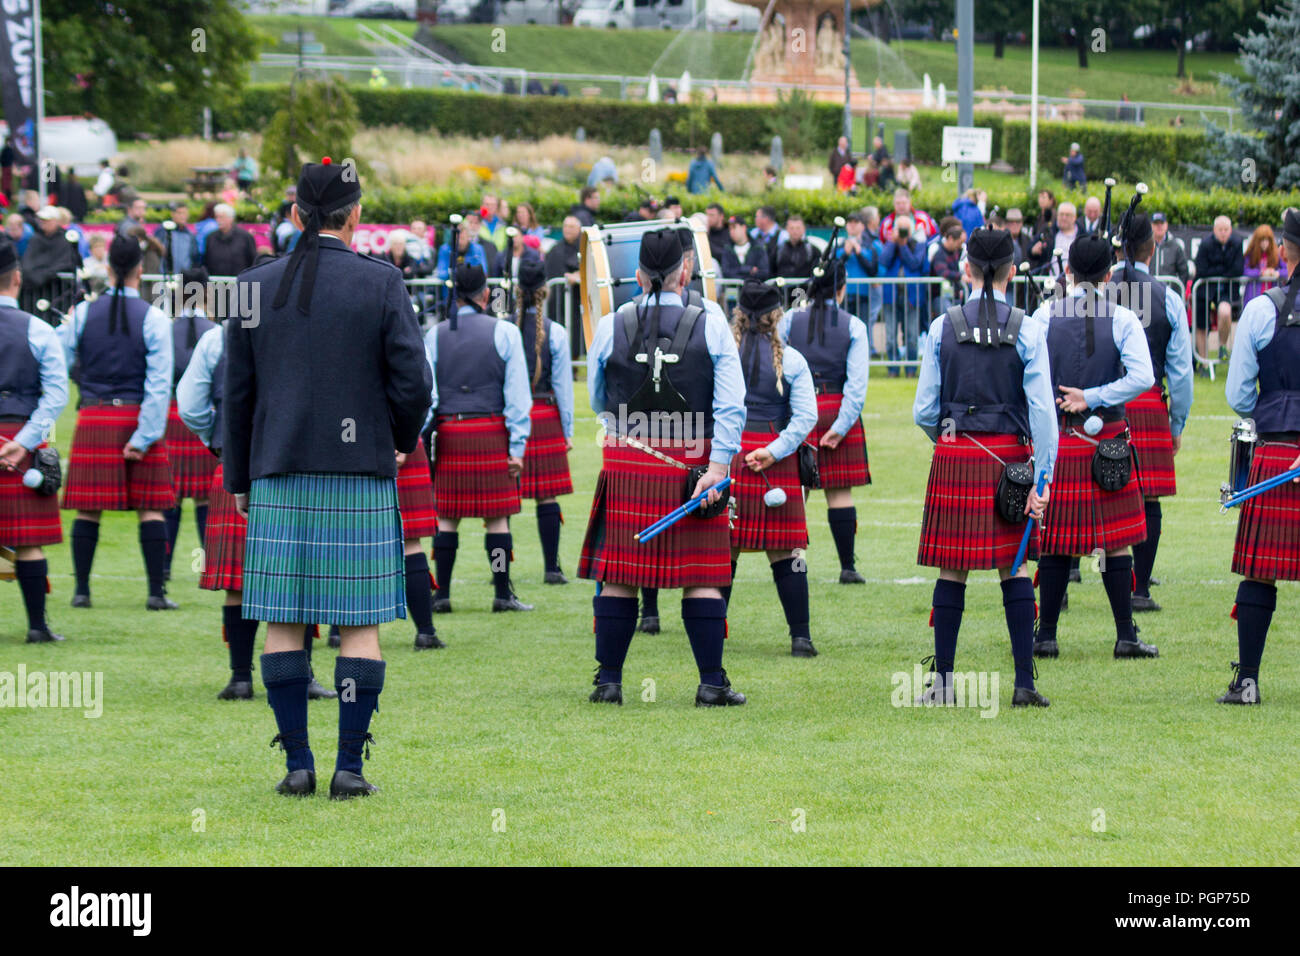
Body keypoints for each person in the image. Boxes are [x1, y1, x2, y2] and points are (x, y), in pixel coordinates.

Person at [223, 158, 432, 799]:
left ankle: (296, 766)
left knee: (283, 620)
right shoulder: (382, 282)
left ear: (294, 216)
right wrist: (395, 441)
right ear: (357, 215)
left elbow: (237, 396)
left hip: (278, 472)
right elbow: (414, 384)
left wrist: (239, 477)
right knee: (359, 623)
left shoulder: (250, 286)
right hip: (359, 470)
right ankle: (349, 767)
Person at [580, 227, 747, 707]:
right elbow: (732, 404)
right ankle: (711, 683)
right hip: (692, 465)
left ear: (636, 275)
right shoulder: (710, 320)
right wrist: (718, 466)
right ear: (685, 271)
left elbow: (597, 397)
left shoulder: (612, 324)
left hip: (629, 461)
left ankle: (608, 681)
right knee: (701, 576)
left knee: (618, 576)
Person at [912, 226, 1058, 707]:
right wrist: (1044, 478)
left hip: (956, 458)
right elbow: (1042, 414)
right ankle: (1024, 684)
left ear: (967, 269)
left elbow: (924, 412)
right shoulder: (1030, 328)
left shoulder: (941, 326)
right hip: (1011, 460)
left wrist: (951, 441)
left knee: (952, 570)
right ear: (1013, 272)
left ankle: (944, 684)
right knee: (1013, 569)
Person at [177, 315, 335, 699]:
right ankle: (302, 676)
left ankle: (240, 677)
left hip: (236, 465)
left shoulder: (219, 337)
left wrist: (216, 440)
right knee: (301, 576)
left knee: (237, 581)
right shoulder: (309, 330)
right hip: (295, 466)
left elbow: (190, 404)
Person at [1029, 233, 1158, 660]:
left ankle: (1046, 635)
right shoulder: (1123, 317)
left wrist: (1069, 397)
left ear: (1068, 271)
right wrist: (1098, 395)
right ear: (1108, 274)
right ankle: (1125, 636)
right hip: (1107, 442)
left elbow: (1026, 370)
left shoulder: (1044, 314)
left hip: (1062, 440)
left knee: (1054, 540)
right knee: (1116, 541)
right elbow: (1143, 377)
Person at [59, 235, 178, 611]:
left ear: (108, 269)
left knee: (88, 508)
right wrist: (145, 435)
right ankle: (156, 593)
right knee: (151, 507)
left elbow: (57, 363)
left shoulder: (80, 314)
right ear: (140, 271)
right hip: (135, 414)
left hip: (94, 415)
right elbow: (159, 384)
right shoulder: (154, 317)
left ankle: (81, 591)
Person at [1217, 208, 1300, 704]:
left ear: (1285, 250)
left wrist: (1273, 408)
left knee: (1261, 571)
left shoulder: (1262, 309)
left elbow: (1238, 393)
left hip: (1276, 449)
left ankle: (1247, 681)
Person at [426, 263, 533, 615]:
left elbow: (428, 396)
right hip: (491, 431)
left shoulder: (435, 334)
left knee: (446, 517)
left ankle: (441, 595)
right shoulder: (505, 332)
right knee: (498, 517)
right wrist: (517, 446)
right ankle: (502, 593)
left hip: (451, 432)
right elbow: (518, 396)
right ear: (486, 295)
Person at [726, 279, 819, 656]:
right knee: (787, 553)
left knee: (722, 550)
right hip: (772, 460)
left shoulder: (722, 356)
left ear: (738, 314)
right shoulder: (793, 359)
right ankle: (801, 638)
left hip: (730, 455)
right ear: (777, 315)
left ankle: (712, 631)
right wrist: (775, 451)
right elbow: (807, 416)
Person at [1109, 213, 1194, 614]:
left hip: (1104, 403)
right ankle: (1139, 589)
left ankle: (1066, 580)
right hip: (1148, 403)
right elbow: (1181, 374)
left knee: (1098, 491)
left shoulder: (1098, 292)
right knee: (1149, 497)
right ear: (1153, 248)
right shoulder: (1169, 298)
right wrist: (1176, 423)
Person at [780, 259, 871, 583]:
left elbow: (779, 366)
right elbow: (856, 387)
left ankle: (795, 565)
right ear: (842, 288)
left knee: (797, 490)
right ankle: (848, 567)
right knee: (839, 493)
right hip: (834, 408)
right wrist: (840, 427)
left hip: (797, 409)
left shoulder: (790, 319)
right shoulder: (855, 325)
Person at [0, 235, 69, 643]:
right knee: (28, 542)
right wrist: (24, 442)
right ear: (17, 279)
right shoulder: (40, 329)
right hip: (21, 441)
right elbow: (57, 394)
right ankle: (38, 627)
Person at [513, 259, 574, 584]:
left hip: (512, 417)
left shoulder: (505, 328)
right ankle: (551, 568)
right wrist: (567, 430)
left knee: (503, 503)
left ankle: (501, 574)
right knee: (546, 495)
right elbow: (563, 386)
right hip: (545, 414)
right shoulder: (557, 332)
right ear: (546, 292)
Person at [161, 266, 219, 584]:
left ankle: (165, 565)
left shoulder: (166, 329)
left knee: (170, 495)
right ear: (206, 292)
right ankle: (207, 562)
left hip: (171, 414)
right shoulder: (214, 330)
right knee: (203, 497)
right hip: (202, 417)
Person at [880, 214, 927, 376]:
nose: (902, 232)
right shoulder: (890, 244)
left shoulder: (919, 244)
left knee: (912, 335)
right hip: (891, 295)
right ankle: (893, 369)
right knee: (891, 335)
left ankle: (911, 370)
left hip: (911, 296)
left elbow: (914, 263)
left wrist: (904, 245)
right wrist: (894, 243)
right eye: (899, 228)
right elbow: (884, 261)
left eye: (905, 229)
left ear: (912, 230)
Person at [1193, 215, 1244, 365]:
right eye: (1220, 229)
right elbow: (1201, 270)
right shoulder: (1205, 244)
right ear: (1214, 230)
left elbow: (1237, 269)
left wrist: (1215, 271)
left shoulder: (1237, 242)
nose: (1223, 233)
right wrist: (1222, 271)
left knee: (1225, 311)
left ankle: (1222, 346)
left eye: (1226, 229)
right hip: (1204, 290)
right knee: (1201, 325)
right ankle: (1204, 364)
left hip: (1226, 290)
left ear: (1231, 230)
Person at [21, 207, 79, 315]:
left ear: (56, 221)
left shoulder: (65, 239)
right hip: (33, 293)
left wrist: (44, 275)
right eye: (41, 219)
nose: (43, 222)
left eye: (46, 220)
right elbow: (27, 263)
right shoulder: (35, 239)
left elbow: (66, 262)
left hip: (57, 293)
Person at [544, 214, 582, 340]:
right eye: (565, 226)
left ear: (579, 229)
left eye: (571, 226)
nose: (567, 229)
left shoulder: (585, 247)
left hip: (578, 301)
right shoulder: (556, 249)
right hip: (558, 301)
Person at [838, 213, 880, 326]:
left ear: (862, 226)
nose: (852, 225)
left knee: (863, 326)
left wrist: (859, 252)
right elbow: (835, 267)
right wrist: (845, 254)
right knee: (844, 327)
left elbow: (872, 270)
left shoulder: (870, 247)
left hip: (863, 295)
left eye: (855, 222)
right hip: (843, 295)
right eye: (850, 223)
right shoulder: (839, 247)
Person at [202, 204, 257, 277]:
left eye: (221, 217)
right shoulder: (210, 238)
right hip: (216, 283)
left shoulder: (245, 237)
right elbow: (206, 262)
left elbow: (253, 261)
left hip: (240, 283)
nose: (218, 220)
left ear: (231, 218)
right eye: (216, 217)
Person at [1242, 224, 1287, 306]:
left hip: (1272, 296)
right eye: (1262, 240)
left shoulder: (1276, 254)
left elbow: (1287, 270)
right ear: (1257, 241)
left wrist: (1277, 273)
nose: (1264, 243)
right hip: (1254, 295)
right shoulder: (1250, 254)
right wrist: (1261, 273)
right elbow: (1245, 270)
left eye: (1267, 240)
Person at [720, 215, 768, 283]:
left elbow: (764, 273)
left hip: (754, 290)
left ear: (744, 227)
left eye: (734, 227)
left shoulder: (758, 247)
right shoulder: (727, 249)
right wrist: (748, 270)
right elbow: (726, 272)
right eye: (729, 229)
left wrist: (738, 274)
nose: (731, 231)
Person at [155, 203, 198, 274]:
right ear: (172, 214)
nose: (182, 216)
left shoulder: (190, 235)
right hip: (164, 276)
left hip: (184, 278)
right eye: (179, 213)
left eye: (184, 213)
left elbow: (194, 257)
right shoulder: (163, 231)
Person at [1150, 212, 1190, 286]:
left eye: (1161, 223)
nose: (1159, 226)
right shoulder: (1145, 246)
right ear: (1151, 226)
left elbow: (1184, 272)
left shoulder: (1176, 247)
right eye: (1156, 223)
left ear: (1166, 225)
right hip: (1148, 291)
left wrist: (1176, 291)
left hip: (1168, 293)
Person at [774, 216, 815, 285]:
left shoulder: (813, 250)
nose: (795, 231)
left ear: (804, 229)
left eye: (798, 228)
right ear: (787, 229)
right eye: (792, 228)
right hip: (782, 291)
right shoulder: (778, 250)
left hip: (805, 292)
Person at [750, 206, 787, 277]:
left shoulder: (783, 236)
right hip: (757, 278)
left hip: (776, 278)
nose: (755, 219)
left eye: (757, 216)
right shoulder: (753, 234)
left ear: (766, 218)